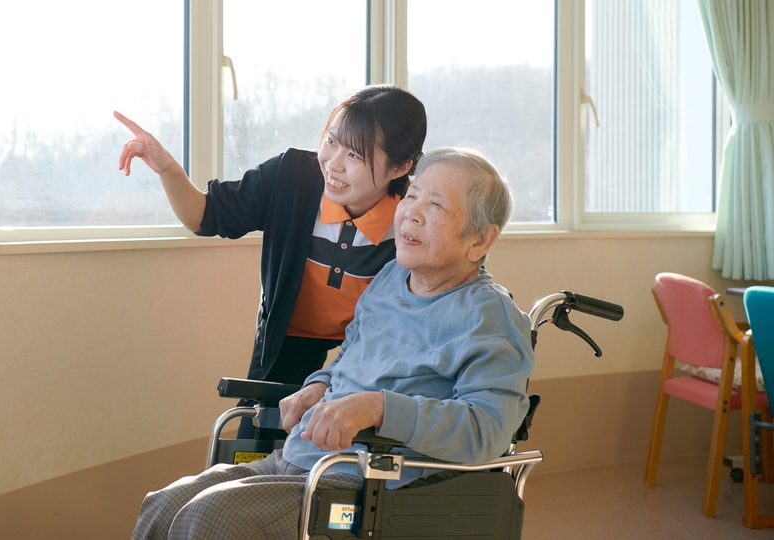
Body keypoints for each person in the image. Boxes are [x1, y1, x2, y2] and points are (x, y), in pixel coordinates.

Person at [129, 147, 535, 540]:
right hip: (301, 457)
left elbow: (489, 430)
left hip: (368, 485)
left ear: (480, 241)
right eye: (412, 195)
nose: (411, 211)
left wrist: (377, 407)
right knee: (165, 503)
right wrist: (318, 387)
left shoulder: (490, 318)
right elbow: (350, 355)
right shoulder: (390, 278)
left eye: (436, 206)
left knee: (212, 516)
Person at [115, 85, 427, 437]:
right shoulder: (293, 176)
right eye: (332, 141)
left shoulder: (412, 215)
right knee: (261, 431)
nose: (334, 163)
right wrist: (169, 169)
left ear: (399, 167)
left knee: (352, 436)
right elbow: (205, 215)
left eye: (355, 155)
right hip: (289, 331)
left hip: (370, 344)